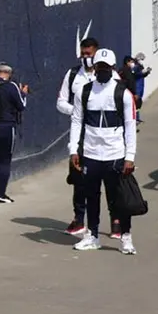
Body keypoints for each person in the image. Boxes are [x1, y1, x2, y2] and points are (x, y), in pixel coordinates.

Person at [68, 48, 138, 255]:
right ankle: (93, 236)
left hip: (115, 154)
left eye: (106, 67)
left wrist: (130, 156)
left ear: (113, 68)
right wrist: (74, 150)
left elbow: (130, 124)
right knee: (91, 196)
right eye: (99, 67)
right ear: (94, 68)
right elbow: (76, 120)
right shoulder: (84, 91)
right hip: (90, 153)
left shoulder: (122, 93)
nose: (102, 70)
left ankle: (126, 237)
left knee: (119, 197)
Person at [56, 37, 98, 234]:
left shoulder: (108, 74)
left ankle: (117, 220)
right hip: (79, 134)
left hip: (102, 135)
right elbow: (61, 102)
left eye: (89, 54)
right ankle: (79, 218)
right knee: (78, 178)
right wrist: (76, 111)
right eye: (83, 54)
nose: (85, 57)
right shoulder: (73, 74)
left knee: (107, 179)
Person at [0, 63, 28, 203]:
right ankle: (1, 194)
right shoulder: (11, 86)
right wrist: (24, 93)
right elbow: (21, 106)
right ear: (9, 74)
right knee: (5, 160)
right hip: (6, 127)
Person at [131, 52, 152, 123]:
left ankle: (137, 117)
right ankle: (135, 118)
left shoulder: (139, 66)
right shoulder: (135, 66)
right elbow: (135, 74)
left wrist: (146, 72)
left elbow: (142, 75)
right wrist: (143, 72)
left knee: (139, 102)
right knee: (136, 102)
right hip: (137, 86)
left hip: (140, 86)